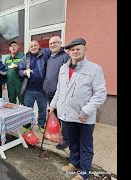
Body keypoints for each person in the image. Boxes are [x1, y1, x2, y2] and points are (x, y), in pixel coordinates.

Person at [48, 38, 107, 180]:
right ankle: (74, 163)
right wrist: (52, 106)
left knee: (85, 145)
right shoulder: (63, 68)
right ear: (68, 52)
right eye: (72, 49)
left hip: (84, 116)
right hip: (66, 114)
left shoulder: (94, 69)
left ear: (84, 50)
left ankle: (84, 173)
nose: (75, 51)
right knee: (73, 142)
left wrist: (86, 110)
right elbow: (59, 90)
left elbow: (100, 93)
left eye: (78, 49)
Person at [43, 36, 70, 150]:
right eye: (51, 43)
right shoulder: (50, 58)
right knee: (56, 116)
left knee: (63, 117)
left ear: (60, 43)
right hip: (49, 93)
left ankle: (66, 140)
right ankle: (57, 135)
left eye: (55, 43)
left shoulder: (65, 57)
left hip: (60, 94)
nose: (52, 45)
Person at [18, 40, 50, 133]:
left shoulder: (45, 54)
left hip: (42, 89)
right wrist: (23, 72)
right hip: (29, 89)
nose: (33, 48)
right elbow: (20, 69)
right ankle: (27, 125)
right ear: (29, 48)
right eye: (31, 46)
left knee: (42, 109)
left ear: (39, 46)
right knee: (28, 109)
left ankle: (41, 125)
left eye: (35, 45)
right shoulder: (26, 57)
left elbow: (55, 49)